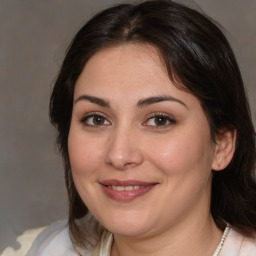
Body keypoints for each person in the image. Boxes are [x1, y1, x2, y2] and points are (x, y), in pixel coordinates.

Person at [2, 0, 256, 255]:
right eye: (97, 119)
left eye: (159, 120)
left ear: (222, 145)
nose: (119, 155)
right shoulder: (34, 250)